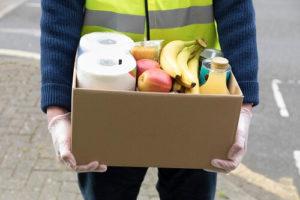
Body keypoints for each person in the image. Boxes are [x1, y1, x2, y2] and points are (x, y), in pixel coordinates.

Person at [41, 0, 259, 199]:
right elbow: (59, 15)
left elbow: (236, 13)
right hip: (105, 102)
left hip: (192, 97)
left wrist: (242, 110)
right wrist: (58, 114)